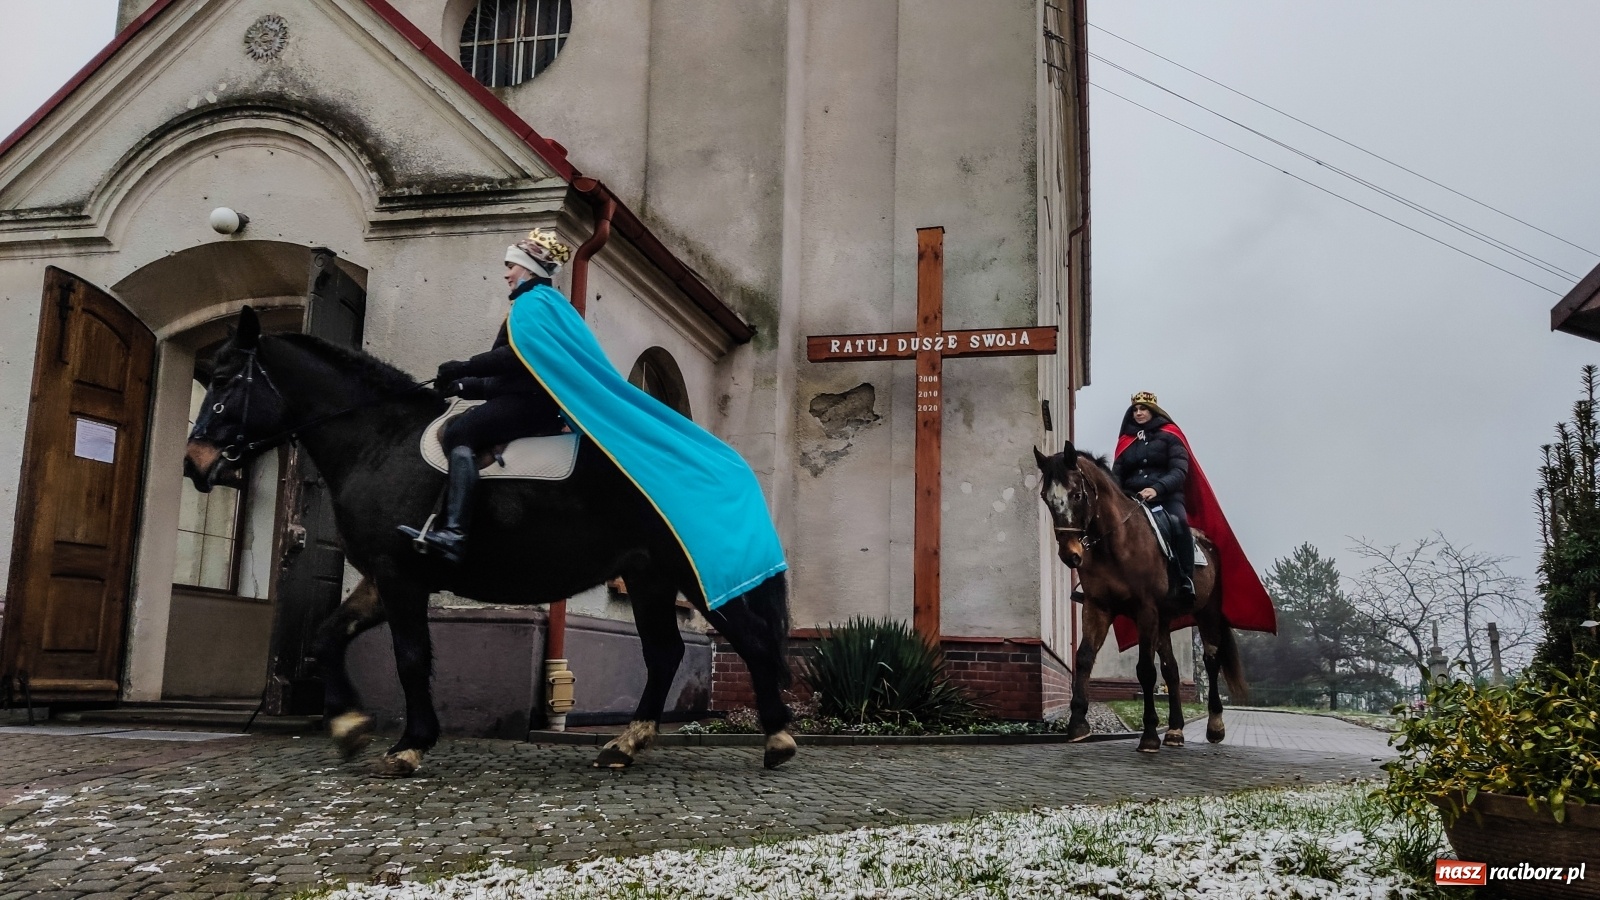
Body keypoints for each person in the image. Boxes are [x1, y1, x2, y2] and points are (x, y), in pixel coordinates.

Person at [398, 229, 574, 563]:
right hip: (527, 398)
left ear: (529, 268)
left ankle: (454, 533)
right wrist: (462, 386)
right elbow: (509, 378)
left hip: (532, 404)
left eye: (512, 265)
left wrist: (464, 366)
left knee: (459, 432)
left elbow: (518, 357)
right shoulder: (541, 303)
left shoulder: (533, 302)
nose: (507, 274)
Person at [1113, 390, 1196, 603]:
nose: (1138, 413)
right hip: (1132, 499)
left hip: (1166, 497)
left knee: (1179, 524)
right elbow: (1117, 475)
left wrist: (1156, 489)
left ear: (1153, 411)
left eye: (1143, 409)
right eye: (1135, 410)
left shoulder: (1171, 435)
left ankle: (1186, 578)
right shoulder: (1126, 440)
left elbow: (1179, 471)